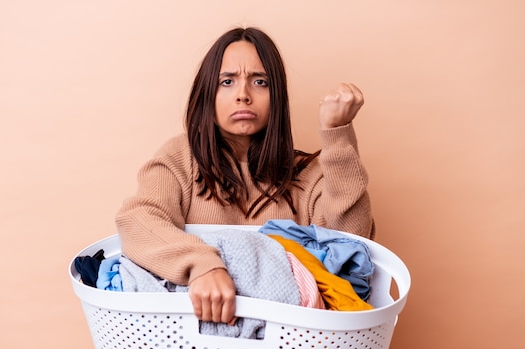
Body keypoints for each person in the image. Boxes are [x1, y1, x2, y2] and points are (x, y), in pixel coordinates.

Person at [115, 26, 374, 325]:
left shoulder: (307, 173)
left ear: (277, 96)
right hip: (191, 348)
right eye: (227, 81)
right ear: (207, 95)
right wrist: (204, 266)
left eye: (260, 82)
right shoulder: (180, 157)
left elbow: (352, 249)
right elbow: (138, 219)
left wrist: (337, 135)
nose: (243, 95)